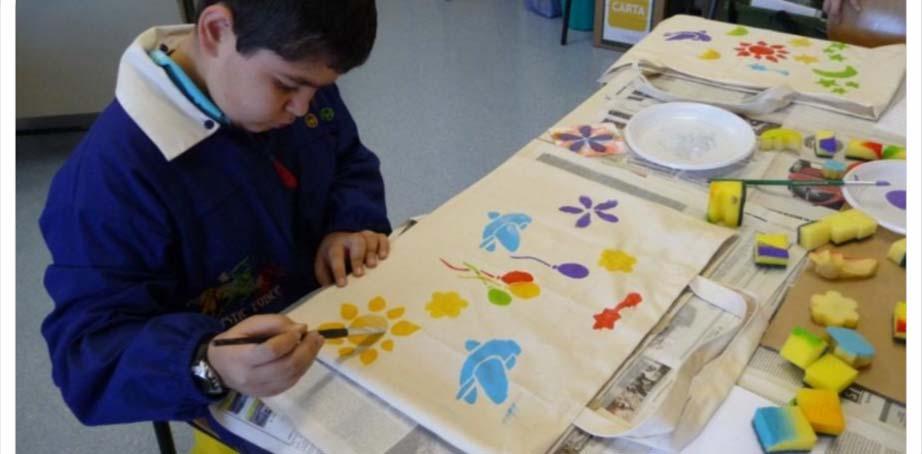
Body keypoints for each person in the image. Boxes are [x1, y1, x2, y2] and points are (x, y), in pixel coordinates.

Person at [39, 1, 389, 451]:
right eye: (288, 86)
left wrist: (350, 224)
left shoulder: (294, 74)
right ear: (217, 29)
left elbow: (347, 160)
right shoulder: (107, 183)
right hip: (238, 388)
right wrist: (205, 363)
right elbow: (88, 357)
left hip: (333, 332)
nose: (303, 109)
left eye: (321, 89)